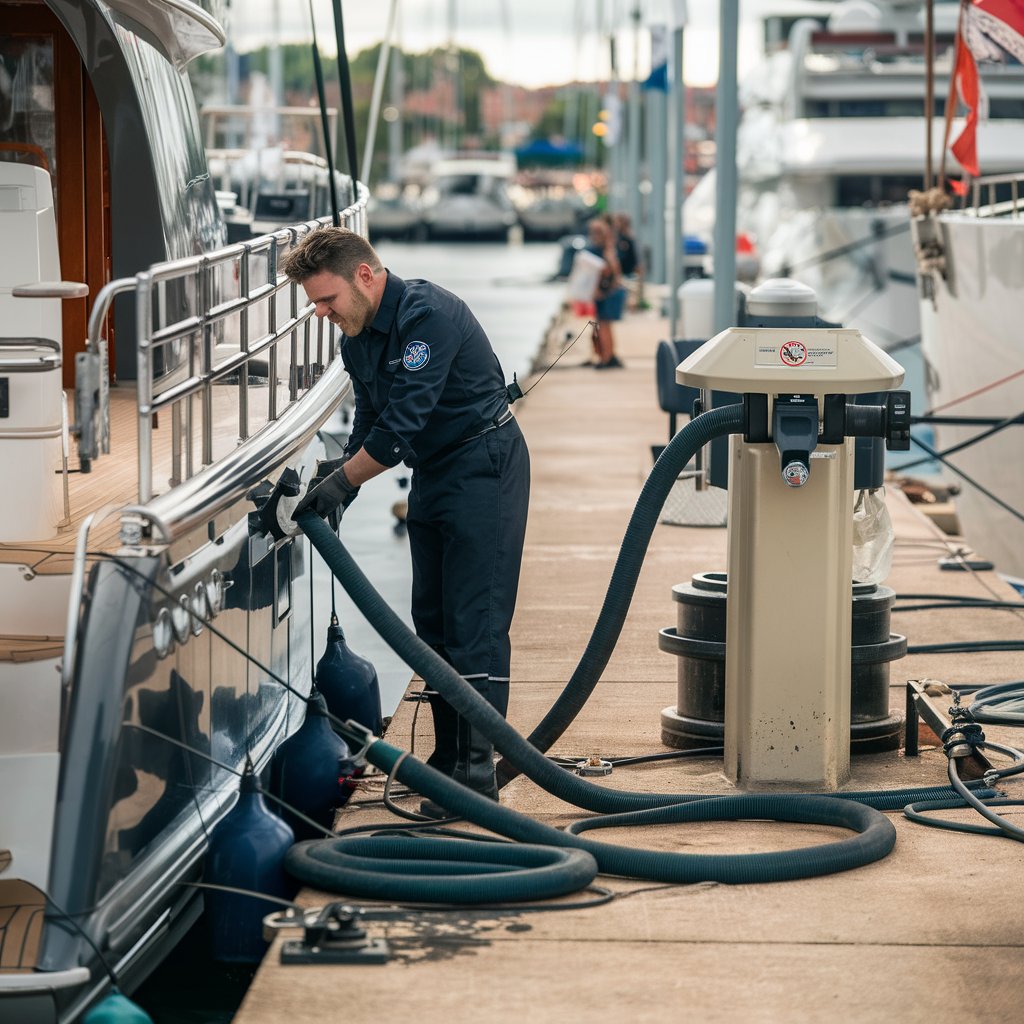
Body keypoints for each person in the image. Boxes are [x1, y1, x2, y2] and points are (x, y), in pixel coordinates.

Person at [281, 227, 530, 809]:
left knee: (476, 622)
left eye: (327, 300)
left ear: (364, 275)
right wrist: (337, 483)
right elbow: (370, 417)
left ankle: (476, 771)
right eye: (314, 303)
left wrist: (341, 482)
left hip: (484, 466)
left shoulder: (429, 318)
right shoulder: (358, 336)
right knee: (433, 621)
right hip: (434, 473)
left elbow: (400, 429)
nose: (321, 313)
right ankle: (449, 754)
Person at [585, 218, 626, 369]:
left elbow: (612, 271)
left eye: (597, 232)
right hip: (604, 293)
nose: (594, 235)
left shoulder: (605, 250)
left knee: (603, 325)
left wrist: (598, 289)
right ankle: (607, 355)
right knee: (601, 325)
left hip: (605, 293)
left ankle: (606, 357)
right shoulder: (604, 249)